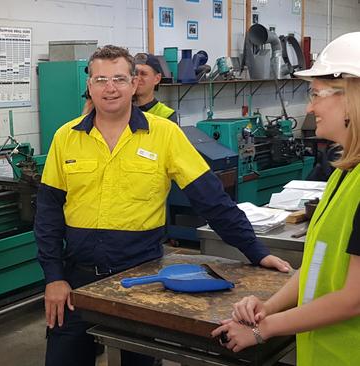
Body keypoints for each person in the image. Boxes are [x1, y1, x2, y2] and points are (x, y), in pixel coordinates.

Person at [35, 45, 291, 366]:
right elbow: (47, 215)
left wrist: (256, 251)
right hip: (77, 280)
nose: (110, 88)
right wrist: (53, 277)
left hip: (144, 281)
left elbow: (211, 200)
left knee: (139, 362)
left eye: (118, 78)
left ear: (133, 83)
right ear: (89, 85)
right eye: (100, 80)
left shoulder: (165, 135)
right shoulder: (65, 138)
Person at [211, 32, 360, 366]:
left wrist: (263, 329)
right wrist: (269, 306)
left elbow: (354, 298)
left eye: (316, 94)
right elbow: (316, 268)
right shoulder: (344, 174)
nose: (309, 107)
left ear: (351, 97)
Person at [132, 53, 177, 123]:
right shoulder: (123, 111)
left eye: (143, 74)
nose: (137, 78)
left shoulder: (166, 115)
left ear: (157, 79)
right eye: (135, 73)